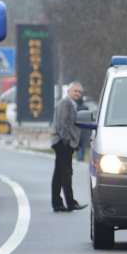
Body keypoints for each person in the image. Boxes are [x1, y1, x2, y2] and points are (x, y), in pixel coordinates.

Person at [51, 82, 88, 212]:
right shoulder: (64, 103)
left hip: (65, 143)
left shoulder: (73, 105)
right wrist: (67, 141)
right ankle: (70, 203)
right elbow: (61, 124)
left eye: (79, 92)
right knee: (66, 173)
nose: (77, 94)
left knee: (59, 174)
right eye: (75, 91)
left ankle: (57, 203)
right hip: (62, 143)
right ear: (69, 91)